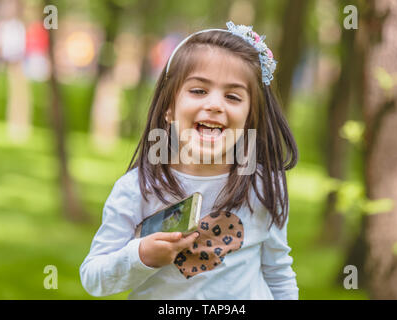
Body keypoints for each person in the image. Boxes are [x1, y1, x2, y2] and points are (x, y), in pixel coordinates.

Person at [80, 21, 299, 299]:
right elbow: (94, 278)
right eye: (198, 91)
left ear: (249, 119)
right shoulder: (138, 188)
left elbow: (278, 272)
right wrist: (141, 256)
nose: (215, 104)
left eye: (232, 96)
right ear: (169, 108)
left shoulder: (264, 186)